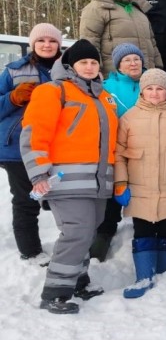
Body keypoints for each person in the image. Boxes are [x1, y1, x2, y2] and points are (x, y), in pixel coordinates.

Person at [21, 40, 118, 314]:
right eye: (83, 62)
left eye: (93, 62)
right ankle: (55, 292)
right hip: (64, 180)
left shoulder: (104, 97)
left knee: (89, 230)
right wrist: (38, 172)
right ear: (70, 66)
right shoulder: (53, 91)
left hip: (98, 181)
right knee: (77, 231)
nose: (89, 67)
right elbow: (34, 133)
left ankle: (78, 281)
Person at [114, 69, 166, 298]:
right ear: (142, 91)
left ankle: (164, 273)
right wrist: (120, 183)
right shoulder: (129, 118)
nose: (154, 93)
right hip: (140, 187)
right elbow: (119, 154)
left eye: (159, 89)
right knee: (143, 231)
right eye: (149, 88)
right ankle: (143, 276)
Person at [0, 23, 62, 265]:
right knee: (26, 201)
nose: (47, 45)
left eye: (52, 41)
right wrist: (12, 98)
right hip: (17, 146)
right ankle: (31, 251)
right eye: (41, 41)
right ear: (32, 44)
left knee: (58, 198)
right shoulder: (14, 72)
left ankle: (68, 246)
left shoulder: (67, 71)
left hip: (53, 145)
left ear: (58, 45)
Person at [90, 42, 147, 262]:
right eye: (127, 60)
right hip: (116, 148)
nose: (133, 63)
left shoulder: (151, 82)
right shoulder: (106, 87)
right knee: (114, 193)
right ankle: (103, 237)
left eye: (136, 59)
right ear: (118, 65)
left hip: (147, 148)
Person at [80, 0, 162, 77]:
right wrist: (95, 69)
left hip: (145, 74)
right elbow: (90, 41)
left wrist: (158, 67)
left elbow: (151, 42)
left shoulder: (138, 9)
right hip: (114, 74)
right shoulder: (97, 7)